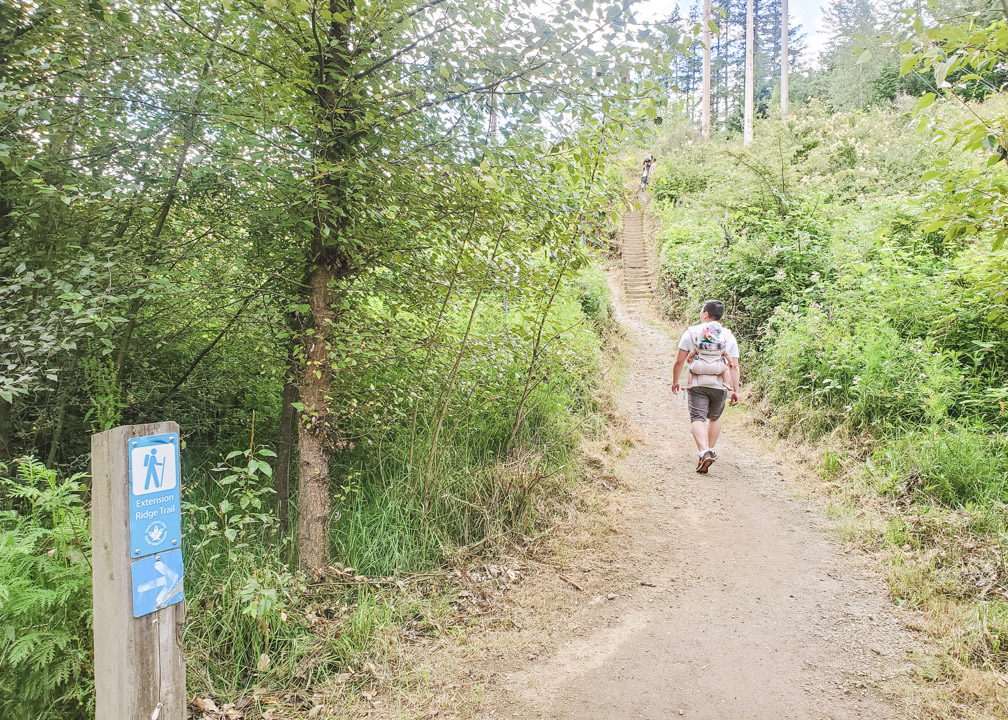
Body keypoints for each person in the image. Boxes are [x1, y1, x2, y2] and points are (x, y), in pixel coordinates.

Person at [671, 300, 741, 473]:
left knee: (697, 418)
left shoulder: (691, 332)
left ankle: (704, 452)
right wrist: (735, 391)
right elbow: (734, 366)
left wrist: (675, 381)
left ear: (705, 314)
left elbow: (680, 361)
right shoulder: (728, 336)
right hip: (720, 383)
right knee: (715, 418)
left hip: (697, 383)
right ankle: (710, 449)